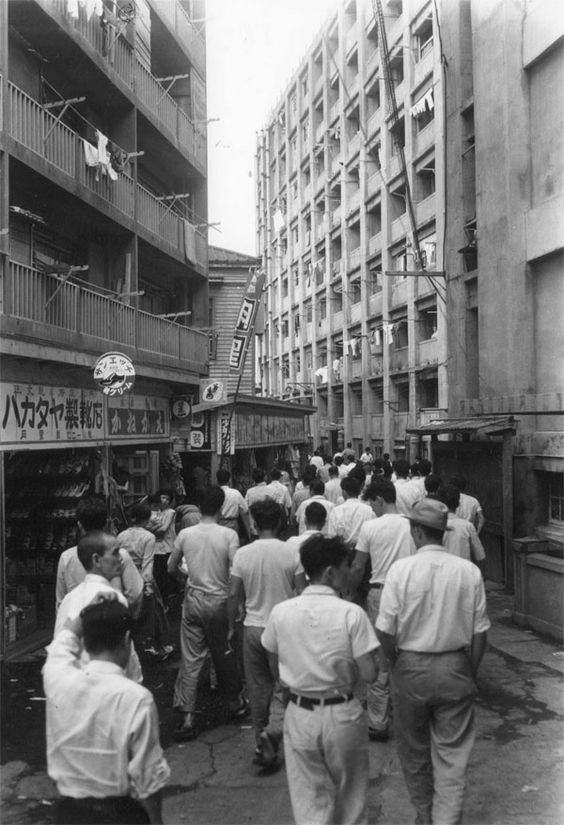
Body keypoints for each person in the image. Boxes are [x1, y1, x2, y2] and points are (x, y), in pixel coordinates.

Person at [375, 498, 490, 825]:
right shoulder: (468, 572)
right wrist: (471, 670)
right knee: (453, 756)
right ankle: (446, 820)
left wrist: (393, 661)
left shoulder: (401, 570)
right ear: (443, 533)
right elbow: (480, 632)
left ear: (415, 531)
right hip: (455, 667)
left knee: (413, 751)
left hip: (410, 668)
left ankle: (424, 815)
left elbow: (385, 629)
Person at [261, 535, 379, 825]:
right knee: (351, 799)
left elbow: (273, 661)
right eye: (345, 566)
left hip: (299, 713)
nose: (349, 572)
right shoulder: (352, 613)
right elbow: (370, 674)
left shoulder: (281, 612)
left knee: (309, 799)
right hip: (342, 713)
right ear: (329, 572)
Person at [44, 597, 169, 824]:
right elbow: (149, 779)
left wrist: (86, 617)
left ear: (85, 641)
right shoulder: (136, 699)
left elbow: (62, 643)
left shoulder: (57, 680)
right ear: (127, 640)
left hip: (68, 813)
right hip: (119, 814)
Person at [227, 499, 306, 767]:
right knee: (284, 685)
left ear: (255, 523)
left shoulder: (243, 554)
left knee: (257, 688)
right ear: (281, 522)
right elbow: (301, 592)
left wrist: (230, 625)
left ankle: (262, 741)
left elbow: (233, 593)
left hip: (253, 627)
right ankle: (275, 734)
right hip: (283, 628)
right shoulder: (291, 553)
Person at [167, 487, 248, 741]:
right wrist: (239, 605)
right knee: (225, 654)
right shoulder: (228, 535)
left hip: (193, 598)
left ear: (200, 506)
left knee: (190, 659)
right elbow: (237, 571)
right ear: (222, 507)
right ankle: (234, 704)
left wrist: (187, 578)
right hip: (220, 600)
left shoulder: (185, 533)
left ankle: (188, 715)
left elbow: (171, 567)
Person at [350, 479, 416, 741]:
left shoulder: (370, 527)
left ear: (379, 499)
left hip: (380, 593)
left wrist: (352, 593)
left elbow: (357, 567)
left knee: (380, 658)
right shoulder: (412, 525)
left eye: (373, 504)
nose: (373, 509)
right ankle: (411, 718)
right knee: (410, 652)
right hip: (410, 593)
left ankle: (378, 722)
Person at [55, 532, 143, 683]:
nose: (120, 558)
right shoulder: (112, 598)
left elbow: (60, 646)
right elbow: (127, 656)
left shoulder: (69, 599)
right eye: (115, 553)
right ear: (97, 560)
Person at [56, 496, 143, 617]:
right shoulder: (120, 555)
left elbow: (61, 602)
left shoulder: (66, 557)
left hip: (78, 626)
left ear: (79, 525)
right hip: (116, 626)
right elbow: (135, 594)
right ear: (107, 523)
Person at [117, 504, 171, 661]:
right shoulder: (148, 537)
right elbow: (148, 563)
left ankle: (129, 648)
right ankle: (158, 647)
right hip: (142, 576)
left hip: (124, 577)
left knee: (128, 613)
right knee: (156, 612)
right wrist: (147, 584)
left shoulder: (121, 536)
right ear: (147, 519)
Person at [437, 485, 486, 571]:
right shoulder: (467, 526)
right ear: (458, 504)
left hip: (440, 573)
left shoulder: (433, 525)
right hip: (463, 573)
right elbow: (480, 556)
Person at [326, 476, 374, 555]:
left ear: (344, 492)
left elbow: (332, 536)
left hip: (342, 554)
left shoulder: (336, 511)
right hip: (364, 553)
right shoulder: (369, 510)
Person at [147, 490, 177, 602]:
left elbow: (163, 529)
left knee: (164, 576)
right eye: (163, 498)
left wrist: (149, 530)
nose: (165, 501)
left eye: (168, 499)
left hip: (167, 546)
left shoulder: (170, 512)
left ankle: (166, 599)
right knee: (158, 575)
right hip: (156, 548)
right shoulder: (156, 512)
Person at [216, 468, 251, 540]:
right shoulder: (236, 493)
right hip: (233, 525)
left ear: (217, 481)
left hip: (218, 524)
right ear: (229, 480)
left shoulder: (214, 493)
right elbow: (245, 509)